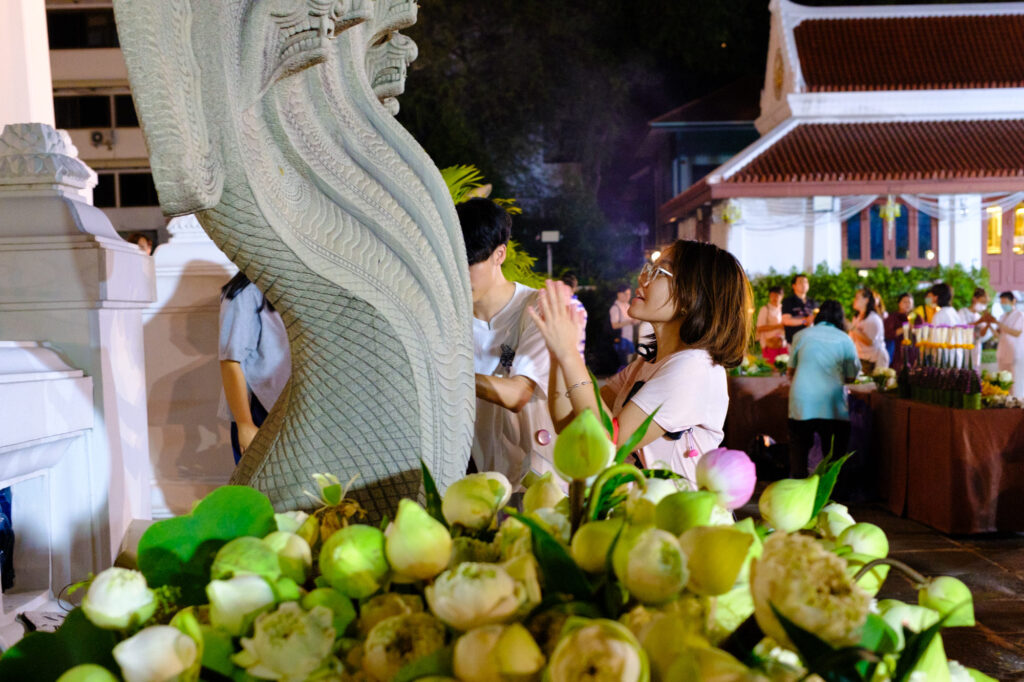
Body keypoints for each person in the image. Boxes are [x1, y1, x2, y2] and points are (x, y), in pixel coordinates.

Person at [529, 240, 752, 483]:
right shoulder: (645, 364)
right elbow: (570, 423)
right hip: (638, 510)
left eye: (659, 272)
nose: (642, 278)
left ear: (693, 296)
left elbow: (607, 442)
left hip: (677, 516)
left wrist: (569, 353)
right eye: (648, 269)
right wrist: (557, 354)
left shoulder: (694, 367)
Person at [459, 198, 557, 487]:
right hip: (476, 482)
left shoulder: (537, 307)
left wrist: (446, 375)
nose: (461, 275)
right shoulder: (448, 318)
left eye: (471, 263)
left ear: (499, 254)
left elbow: (517, 394)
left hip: (538, 480)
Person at [219, 272, 291, 464]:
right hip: (260, 407)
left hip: (292, 404)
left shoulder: (292, 286)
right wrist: (245, 424)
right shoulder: (245, 293)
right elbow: (230, 362)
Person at [786, 300, 861, 478]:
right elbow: (851, 376)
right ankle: (831, 496)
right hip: (832, 404)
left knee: (799, 454)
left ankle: (797, 494)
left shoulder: (802, 335)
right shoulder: (845, 339)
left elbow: (791, 371)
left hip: (801, 401)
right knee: (834, 458)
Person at [982, 292, 1024, 398]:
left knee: (1014, 381)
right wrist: (989, 324)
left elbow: (1016, 332)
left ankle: (1016, 401)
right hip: (1003, 351)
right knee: (1003, 380)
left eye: (1005, 302)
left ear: (1013, 301)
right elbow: (997, 334)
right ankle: (1005, 402)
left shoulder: (1020, 315)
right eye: (1001, 302)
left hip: (1015, 352)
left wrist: (998, 323)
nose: (1003, 305)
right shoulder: (1002, 316)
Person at [848, 287, 888, 373]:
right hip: (861, 359)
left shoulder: (873, 319)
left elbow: (870, 341)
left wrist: (852, 328)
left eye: (857, 298)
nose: (854, 300)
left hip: (873, 361)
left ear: (866, 300)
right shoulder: (857, 317)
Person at [781, 273, 817, 345]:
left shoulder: (813, 302)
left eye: (806, 282)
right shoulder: (788, 301)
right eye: (800, 282)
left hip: (811, 341)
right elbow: (786, 321)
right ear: (794, 286)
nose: (804, 284)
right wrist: (805, 321)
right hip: (794, 341)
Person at [960, 287, 992, 370]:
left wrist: (988, 324)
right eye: (982, 302)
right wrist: (978, 322)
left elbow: (982, 334)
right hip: (964, 348)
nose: (983, 305)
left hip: (976, 349)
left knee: (975, 371)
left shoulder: (979, 316)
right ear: (974, 299)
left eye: (985, 303)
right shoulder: (963, 312)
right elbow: (963, 328)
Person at [756, 285, 786, 363]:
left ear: (782, 296)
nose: (774, 298)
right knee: (772, 369)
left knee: (785, 368)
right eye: (772, 296)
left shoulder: (785, 308)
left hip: (784, 344)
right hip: (769, 344)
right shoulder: (765, 309)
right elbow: (760, 328)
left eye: (777, 295)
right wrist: (778, 326)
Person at [609, 283, 636, 370]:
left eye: (629, 294)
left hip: (629, 339)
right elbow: (614, 325)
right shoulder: (615, 308)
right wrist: (629, 322)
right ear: (619, 294)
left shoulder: (628, 306)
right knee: (624, 365)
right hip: (621, 340)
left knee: (628, 365)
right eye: (626, 294)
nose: (628, 296)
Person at [561, 272, 588, 357]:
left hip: (562, 352)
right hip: (576, 354)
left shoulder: (557, 304)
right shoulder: (579, 306)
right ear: (575, 287)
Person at [883, 293, 913, 368]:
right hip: (896, 353)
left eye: (909, 302)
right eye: (905, 302)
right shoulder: (893, 317)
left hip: (912, 353)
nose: (907, 304)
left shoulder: (916, 317)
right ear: (899, 303)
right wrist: (903, 329)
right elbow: (888, 334)